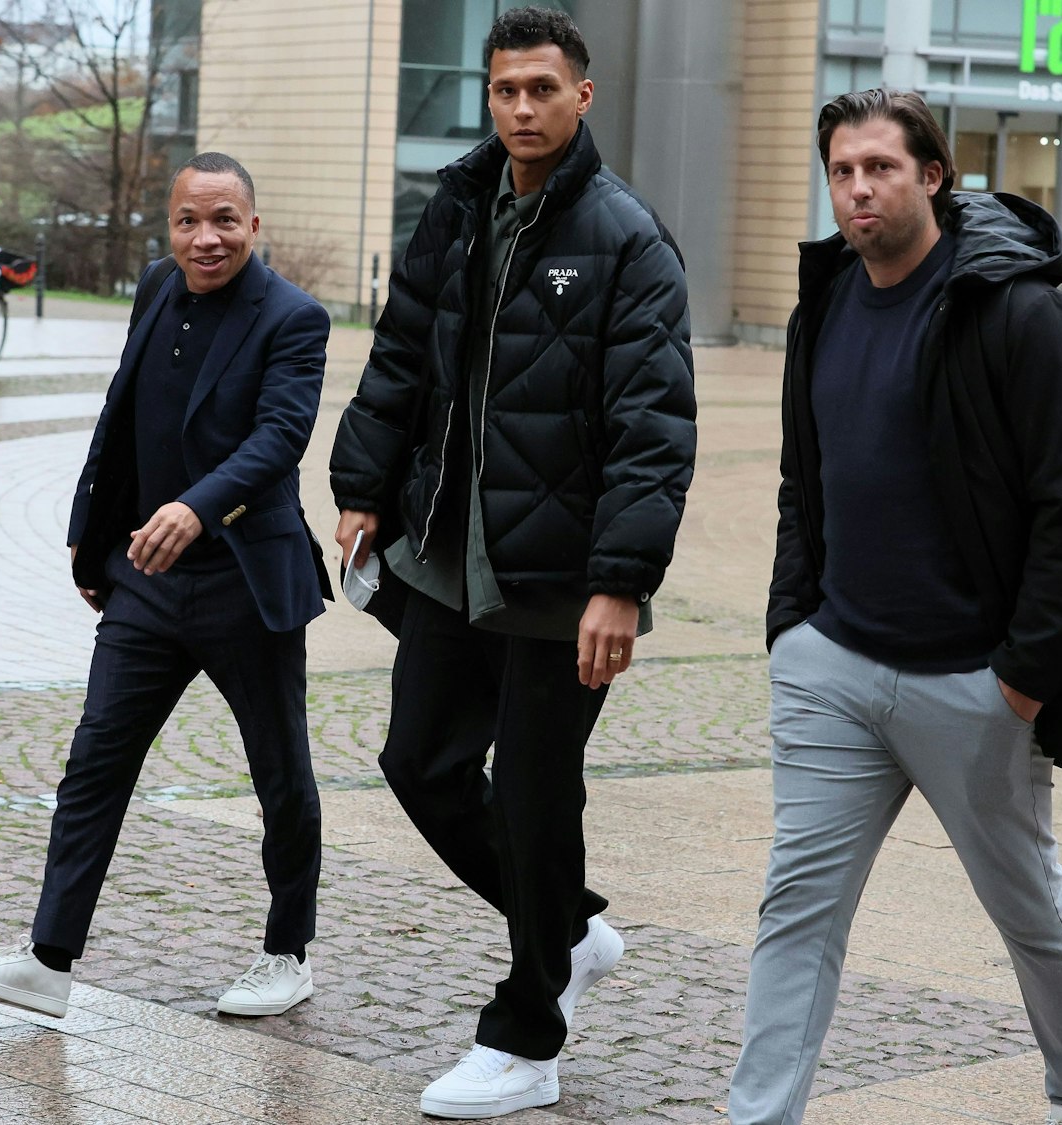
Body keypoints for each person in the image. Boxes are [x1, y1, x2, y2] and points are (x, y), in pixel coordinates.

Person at [727, 89, 1062, 1125]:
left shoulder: (1012, 307)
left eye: (879, 168)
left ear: (931, 175)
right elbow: (806, 480)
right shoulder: (826, 301)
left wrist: (1018, 682)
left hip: (974, 684)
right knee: (794, 913)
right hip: (831, 670)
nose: (856, 190)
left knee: (1025, 910)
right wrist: (791, 626)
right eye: (841, 171)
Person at [327, 6, 695, 1118]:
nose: (521, 108)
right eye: (504, 90)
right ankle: (569, 929)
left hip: (556, 575)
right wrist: (358, 488)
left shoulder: (626, 237)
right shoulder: (453, 207)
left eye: (541, 88)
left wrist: (619, 582)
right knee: (417, 764)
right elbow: (400, 353)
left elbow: (652, 425)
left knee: (536, 794)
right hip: (447, 554)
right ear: (486, 98)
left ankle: (527, 1035)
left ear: (582, 96)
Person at [0, 152, 334, 1022]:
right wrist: (92, 546)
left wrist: (196, 508)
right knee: (95, 762)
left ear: (254, 226)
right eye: (190, 220)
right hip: (147, 584)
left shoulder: (294, 318)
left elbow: (279, 438)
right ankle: (48, 958)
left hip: (244, 583)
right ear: (169, 226)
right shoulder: (158, 287)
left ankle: (287, 951)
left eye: (225, 219)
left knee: (280, 772)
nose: (207, 238)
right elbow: (123, 415)